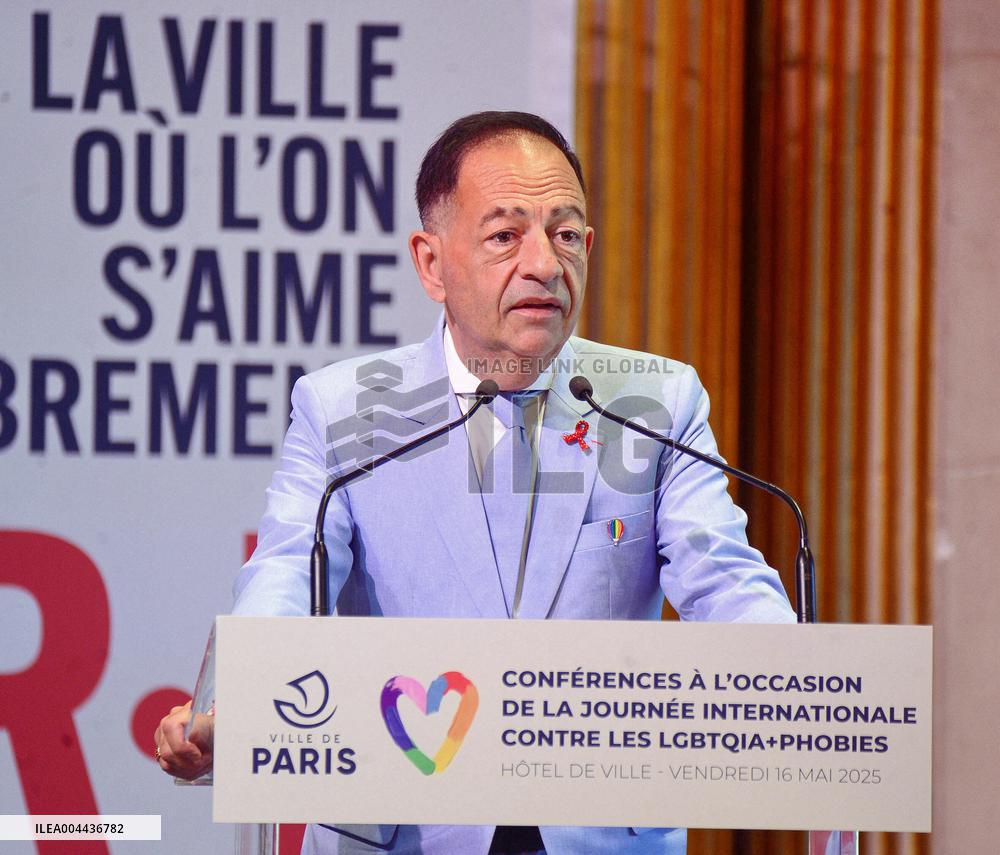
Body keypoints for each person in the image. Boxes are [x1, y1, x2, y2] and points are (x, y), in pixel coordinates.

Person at [155, 111, 795, 854]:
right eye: (505, 235)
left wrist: (798, 685)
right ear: (432, 263)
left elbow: (724, 579)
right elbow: (288, 573)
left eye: (565, 233)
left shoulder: (657, 401)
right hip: (403, 829)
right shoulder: (345, 409)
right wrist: (233, 703)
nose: (545, 265)